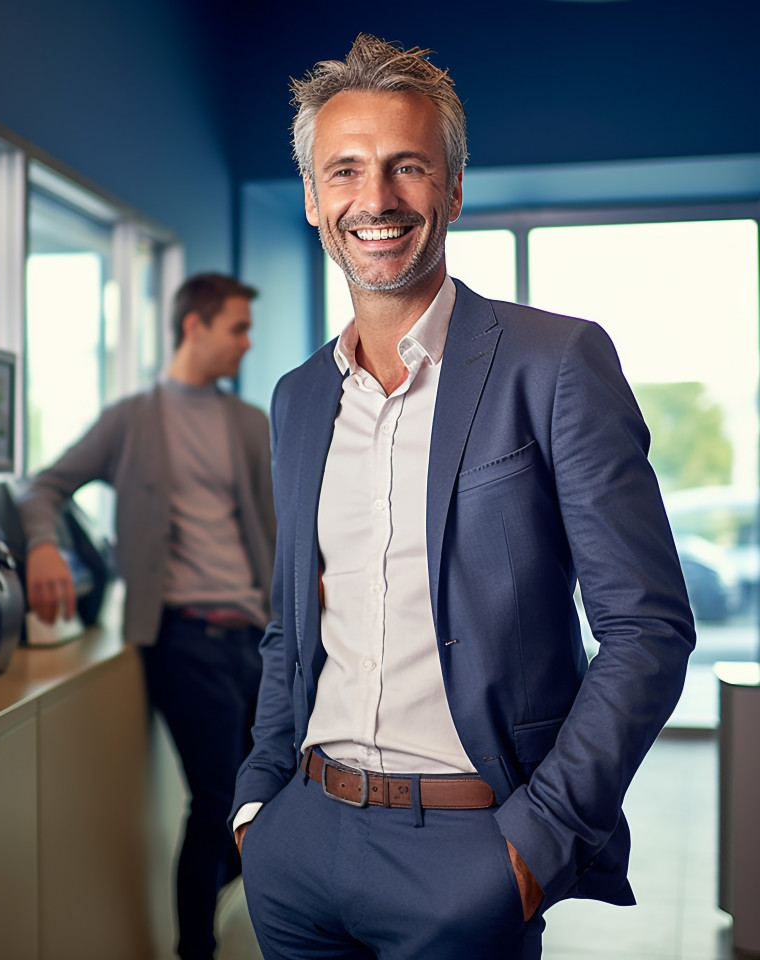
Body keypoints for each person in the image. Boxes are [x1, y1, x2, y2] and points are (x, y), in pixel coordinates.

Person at [230, 34, 695, 960]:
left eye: (408, 167)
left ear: (451, 188)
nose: (377, 199)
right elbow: (295, 622)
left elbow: (647, 628)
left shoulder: (554, 363)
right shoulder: (297, 396)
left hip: (469, 849)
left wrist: (537, 845)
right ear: (317, 199)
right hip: (300, 839)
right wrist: (257, 802)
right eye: (347, 171)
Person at [19, 272, 275, 960]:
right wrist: (42, 545)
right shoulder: (130, 420)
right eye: (237, 329)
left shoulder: (249, 423)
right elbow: (42, 487)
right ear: (194, 326)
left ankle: (236, 899)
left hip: (260, 640)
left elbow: (282, 530)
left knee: (270, 793)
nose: (246, 345)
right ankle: (196, 949)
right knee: (217, 796)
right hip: (182, 640)